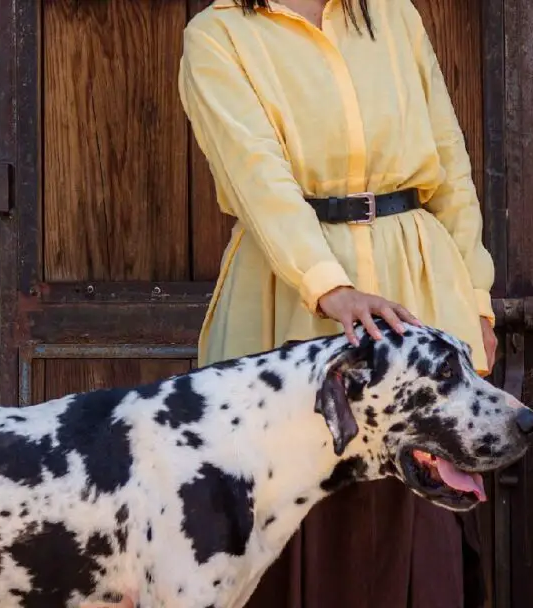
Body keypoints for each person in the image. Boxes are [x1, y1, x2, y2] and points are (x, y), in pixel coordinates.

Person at [179, 1, 497, 607]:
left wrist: (475, 297)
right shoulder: (218, 34)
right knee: (296, 508)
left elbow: (451, 167)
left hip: (420, 286)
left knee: (421, 529)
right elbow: (257, 178)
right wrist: (329, 286)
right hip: (282, 299)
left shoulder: (392, 14)